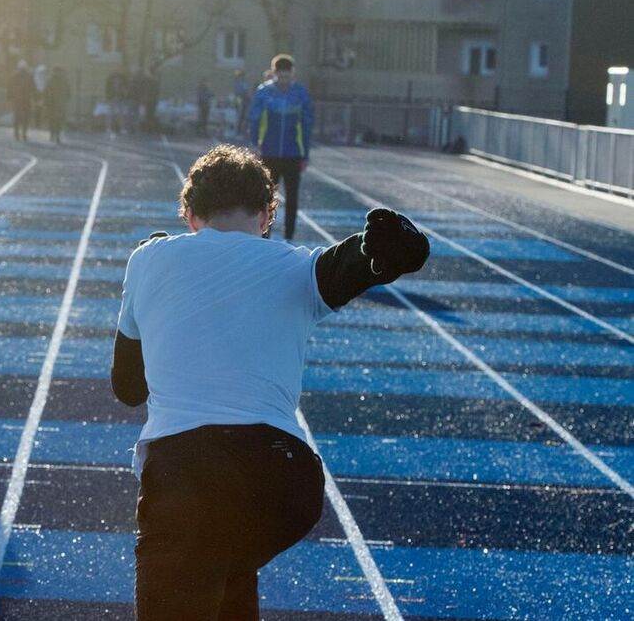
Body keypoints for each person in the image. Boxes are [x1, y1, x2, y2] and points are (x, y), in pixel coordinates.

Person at [111, 145, 429, 620]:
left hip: (186, 477)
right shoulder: (297, 266)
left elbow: (128, 387)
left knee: (199, 558)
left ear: (191, 215)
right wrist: (383, 250)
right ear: (265, 215)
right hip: (282, 481)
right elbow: (349, 265)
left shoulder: (149, 259)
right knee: (227, 570)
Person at [247, 54, 314, 240]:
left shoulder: (301, 94)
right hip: (269, 152)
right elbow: (254, 119)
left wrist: (305, 154)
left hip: (293, 153)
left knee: (292, 198)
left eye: (287, 76)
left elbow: (307, 125)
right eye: (280, 76)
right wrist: (255, 144)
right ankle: (264, 234)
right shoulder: (264, 93)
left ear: (293, 74)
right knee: (267, 197)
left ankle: (289, 235)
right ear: (274, 73)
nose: (283, 80)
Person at [8, 59, 37, 141]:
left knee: (17, 116)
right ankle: (24, 133)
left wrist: (9, 97)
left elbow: (10, 87)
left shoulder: (14, 75)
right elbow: (33, 88)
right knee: (26, 117)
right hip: (26, 99)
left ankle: (16, 133)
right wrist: (36, 98)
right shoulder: (29, 76)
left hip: (16, 99)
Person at [44, 65, 72, 144]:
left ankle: (54, 135)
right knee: (56, 121)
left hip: (54, 104)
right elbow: (69, 92)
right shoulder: (63, 80)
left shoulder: (50, 80)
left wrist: (46, 101)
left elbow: (45, 92)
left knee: (54, 121)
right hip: (58, 104)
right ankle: (55, 135)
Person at [105, 67, 130, 136]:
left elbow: (126, 88)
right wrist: (108, 97)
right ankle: (109, 128)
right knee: (110, 114)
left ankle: (121, 128)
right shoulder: (110, 78)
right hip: (112, 98)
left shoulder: (123, 78)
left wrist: (124, 96)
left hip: (120, 98)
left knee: (120, 115)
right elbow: (107, 89)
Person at [232, 70, 250, 137]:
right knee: (240, 115)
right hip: (240, 99)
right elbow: (240, 92)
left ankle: (240, 130)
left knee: (242, 115)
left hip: (243, 99)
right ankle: (238, 131)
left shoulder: (241, 82)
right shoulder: (239, 82)